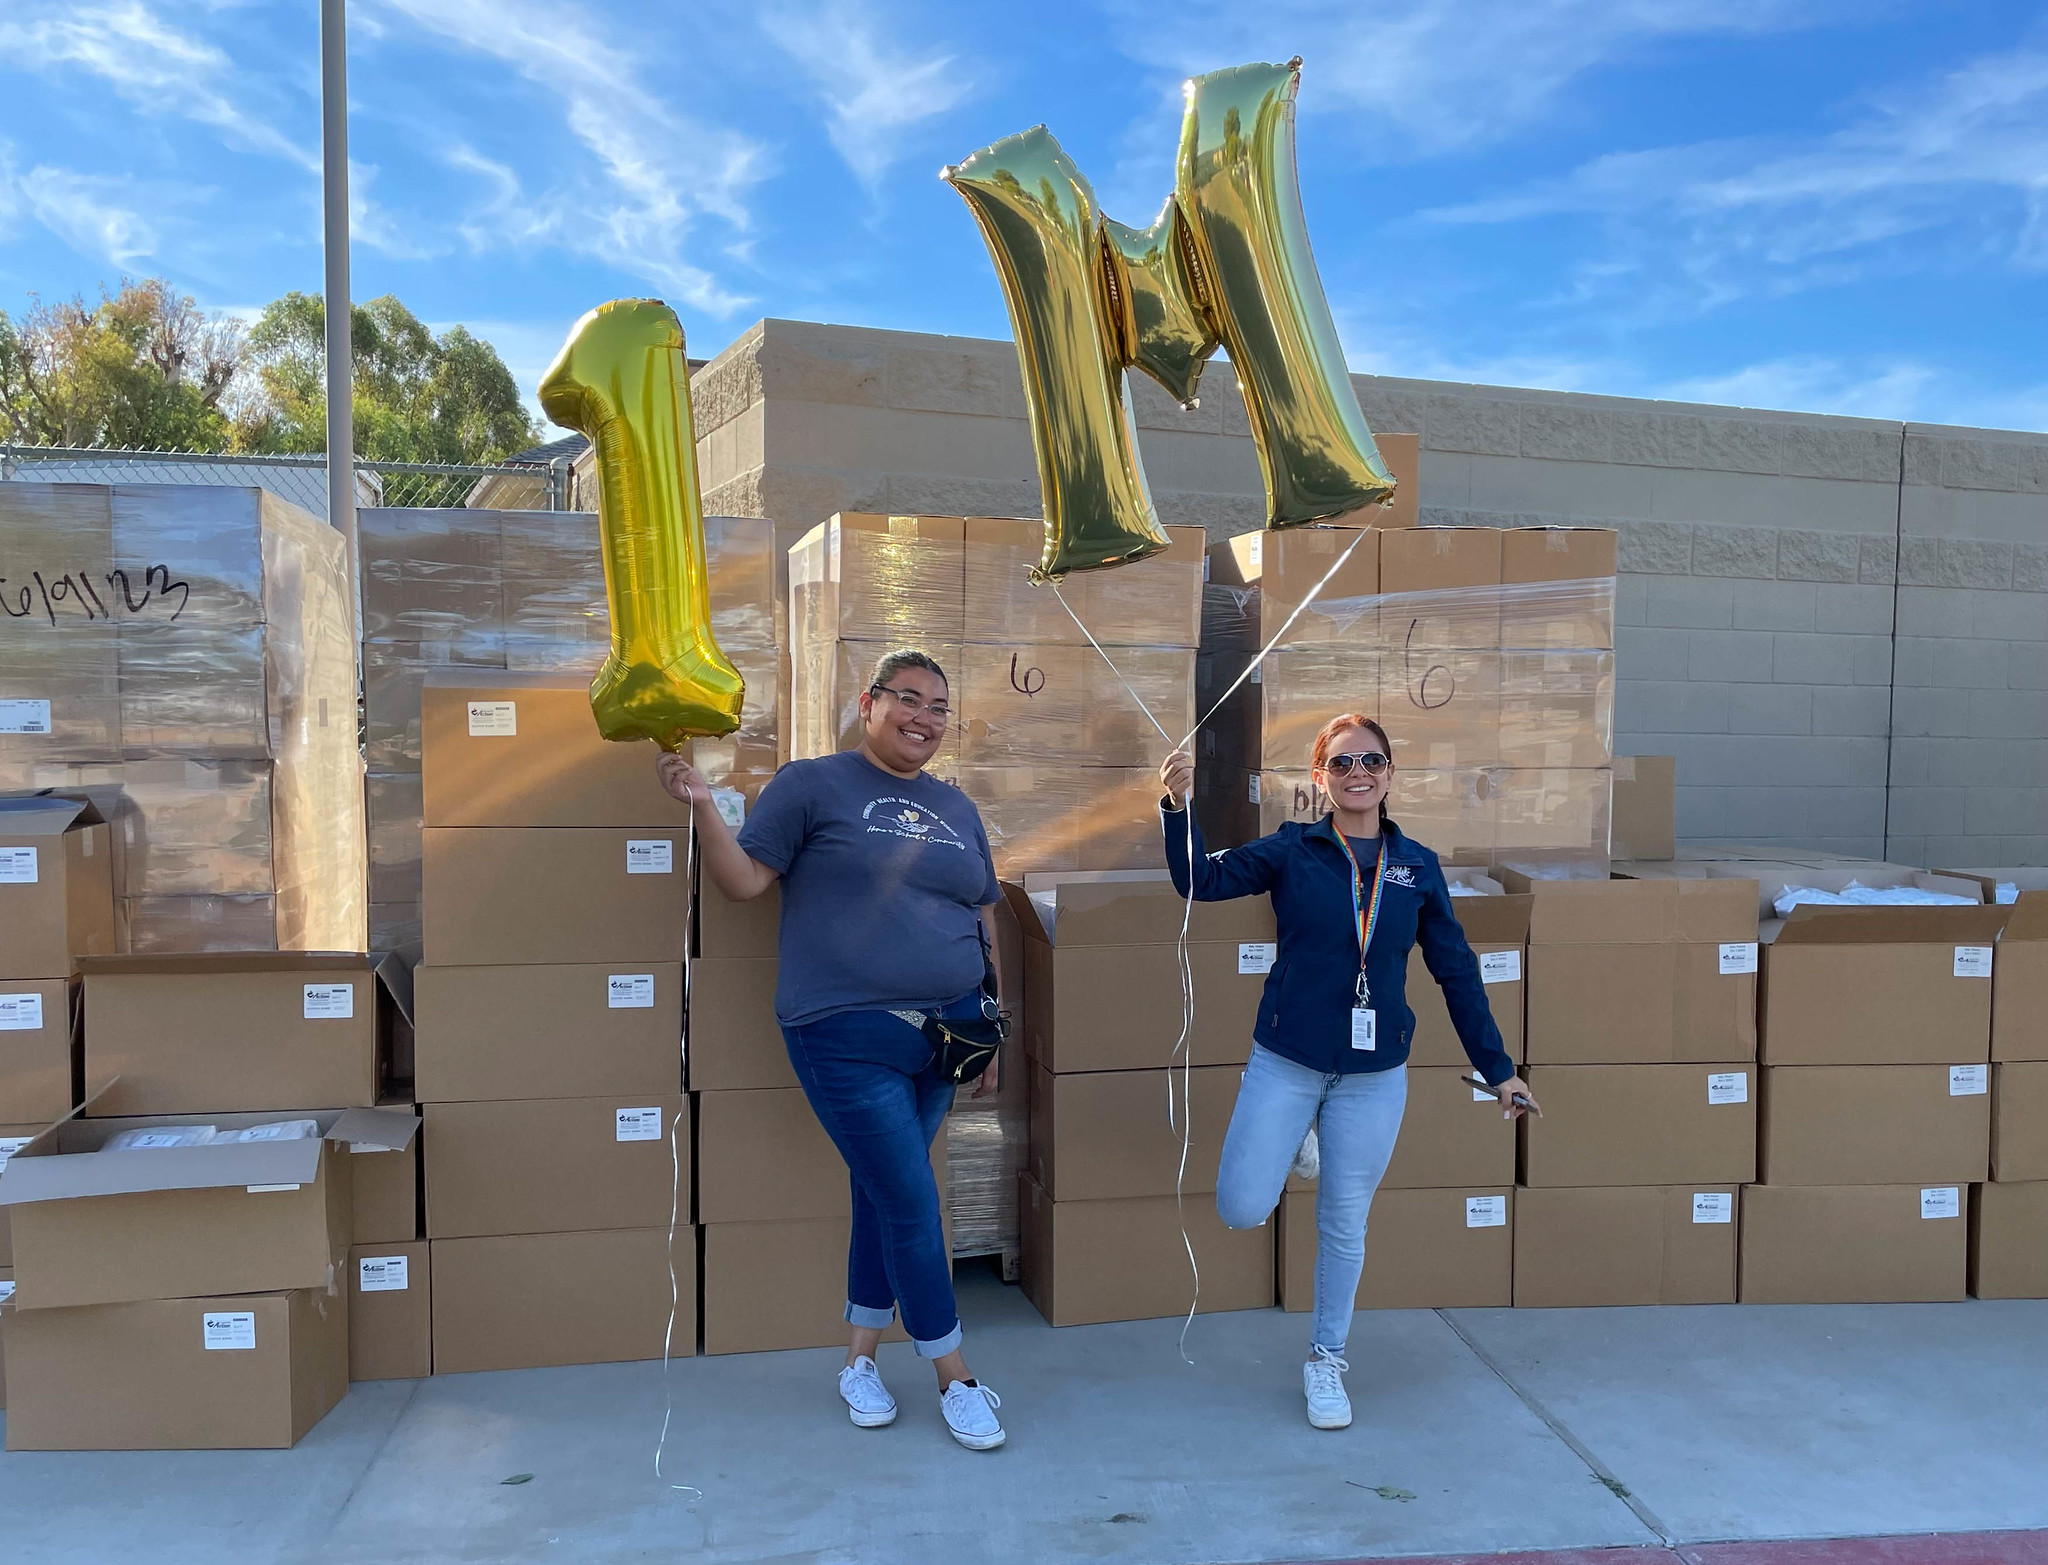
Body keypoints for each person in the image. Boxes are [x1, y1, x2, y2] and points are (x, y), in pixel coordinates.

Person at [656, 649, 1008, 1451]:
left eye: (940, 706)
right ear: (868, 702)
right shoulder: (812, 784)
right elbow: (745, 881)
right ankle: (954, 1374)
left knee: (884, 1196)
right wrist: (706, 803)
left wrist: (995, 1021)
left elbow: (985, 913)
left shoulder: (957, 808)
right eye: (908, 699)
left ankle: (858, 1360)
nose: (925, 717)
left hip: (949, 1033)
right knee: (913, 1199)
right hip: (846, 1035)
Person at [1158, 713, 1537, 1432]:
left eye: (1371, 760)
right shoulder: (1294, 849)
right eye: (1341, 763)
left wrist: (1500, 1069)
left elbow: (1455, 969)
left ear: (1391, 773)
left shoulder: (1417, 867)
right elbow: (1200, 882)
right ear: (1319, 777)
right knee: (1240, 1205)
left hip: (1373, 1075)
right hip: (1288, 1061)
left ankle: (1326, 1358)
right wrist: (1178, 807)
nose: (1357, 772)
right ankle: (1302, 1137)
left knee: (1343, 1220)